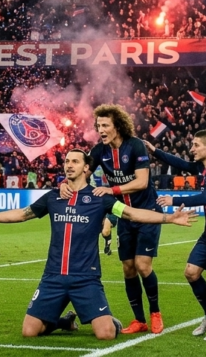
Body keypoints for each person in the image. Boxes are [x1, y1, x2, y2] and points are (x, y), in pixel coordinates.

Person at [0, 149, 197, 340]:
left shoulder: (100, 197)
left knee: (105, 334)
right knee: (29, 332)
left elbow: (132, 214)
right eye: (66, 161)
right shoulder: (53, 197)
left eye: (75, 161)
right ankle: (63, 321)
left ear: (86, 167)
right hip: (53, 277)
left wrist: (169, 218)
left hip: (86, 278)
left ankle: (109, 321)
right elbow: (22, 214)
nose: (69, 165)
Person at [61, 104, 163, 334]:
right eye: (98, 126)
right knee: (128, 268)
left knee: (143, 265)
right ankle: (139, 320)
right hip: (123, 214)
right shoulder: (99, 151)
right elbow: (82, 172)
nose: (101, 130)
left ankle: (155, 312)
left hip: (147, 212)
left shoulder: (135, 146)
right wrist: (65, 183)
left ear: (117, 126)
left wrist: (111, 190)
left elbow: (141, 182)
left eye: (105, 125)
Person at [147, 131, 206, 341]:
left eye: (195, 145)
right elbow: (180, 163)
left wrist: (173, 200)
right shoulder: (203, 167)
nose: (192, 149)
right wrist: (154, 151)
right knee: (191, 272)